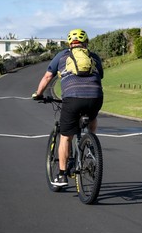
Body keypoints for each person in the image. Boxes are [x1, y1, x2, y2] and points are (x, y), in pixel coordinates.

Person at [32, 29, 104, 186]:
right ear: (86, 43)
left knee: (65, 136)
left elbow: (47, 77)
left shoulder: (62, 55)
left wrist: (38, 94)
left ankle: (62, 175)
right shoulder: (93, 57)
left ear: (69, 43)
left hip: (72, 98)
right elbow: (100, 75)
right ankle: (90, 143)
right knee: (92, 116)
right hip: (95, 96)